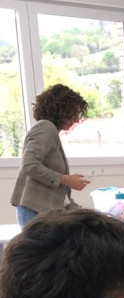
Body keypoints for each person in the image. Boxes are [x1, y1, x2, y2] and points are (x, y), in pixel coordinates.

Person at [10, 85, 91, 227]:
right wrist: (66, 179)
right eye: (75, 113)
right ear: (63, 110)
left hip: (40, 212)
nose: (77, 120)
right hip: (34, 212)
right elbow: (29, 165)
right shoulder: (46, 128)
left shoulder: (50, 130)